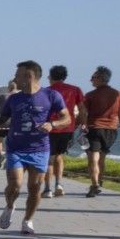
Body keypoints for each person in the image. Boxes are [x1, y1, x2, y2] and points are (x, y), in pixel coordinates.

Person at [0, 60, 68, 234]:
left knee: (34, 187)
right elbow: (0, 121)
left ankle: (28, 220)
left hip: (40, 149)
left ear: (29, 76)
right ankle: (10, 206)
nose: (14, 77)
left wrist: (53, 124)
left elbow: (67, 118)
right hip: (16, 148)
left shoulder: (51, 96)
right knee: (15, 184)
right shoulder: (14, 98)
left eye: (17, 74)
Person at [81, 66, 120, 197]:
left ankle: (95, 184)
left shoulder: (90, 95)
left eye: (93, 77)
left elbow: (83, 113)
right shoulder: (119, 94)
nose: (90, 80)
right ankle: (99, 181)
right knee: (102, 159)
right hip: (111, 131)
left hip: (94, 128)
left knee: (93, 159)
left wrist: (83, 126)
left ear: (101, 79)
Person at [42, 65, 83, 198]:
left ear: (51, 76)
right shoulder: (75, 90)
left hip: (49, 128)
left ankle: (47, 189)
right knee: (59, 156)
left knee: (48, 158)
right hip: (67, 128)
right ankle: (59, 184)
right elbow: (83, 110)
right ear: (64, 77)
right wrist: (77, 124)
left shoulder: (46, 91)